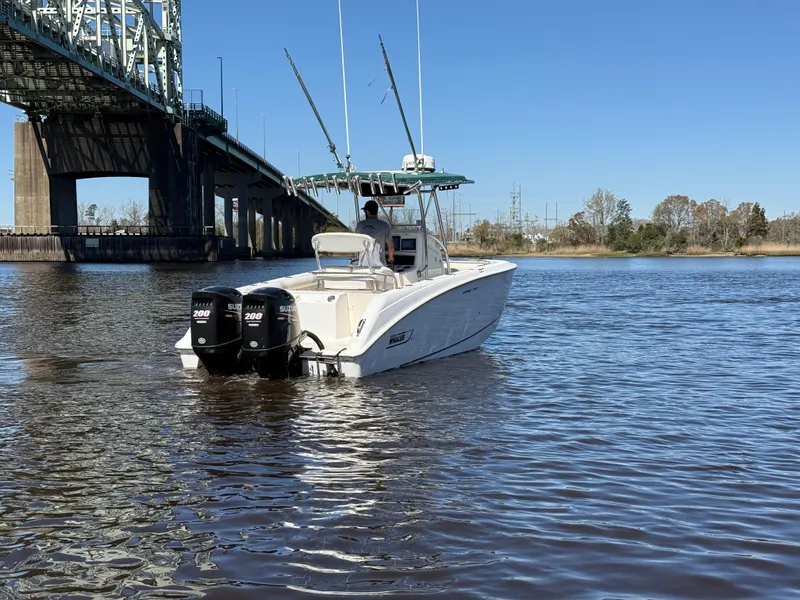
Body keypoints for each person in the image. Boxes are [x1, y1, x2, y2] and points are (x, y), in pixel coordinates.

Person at [354, 200, 394, 267]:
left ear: (367, 212)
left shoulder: (360, 225)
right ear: (376, 211)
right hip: (380, 267)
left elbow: (355, 244)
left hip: (363, 266)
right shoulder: (384, 225)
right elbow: (391, 247)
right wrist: (390, 258)